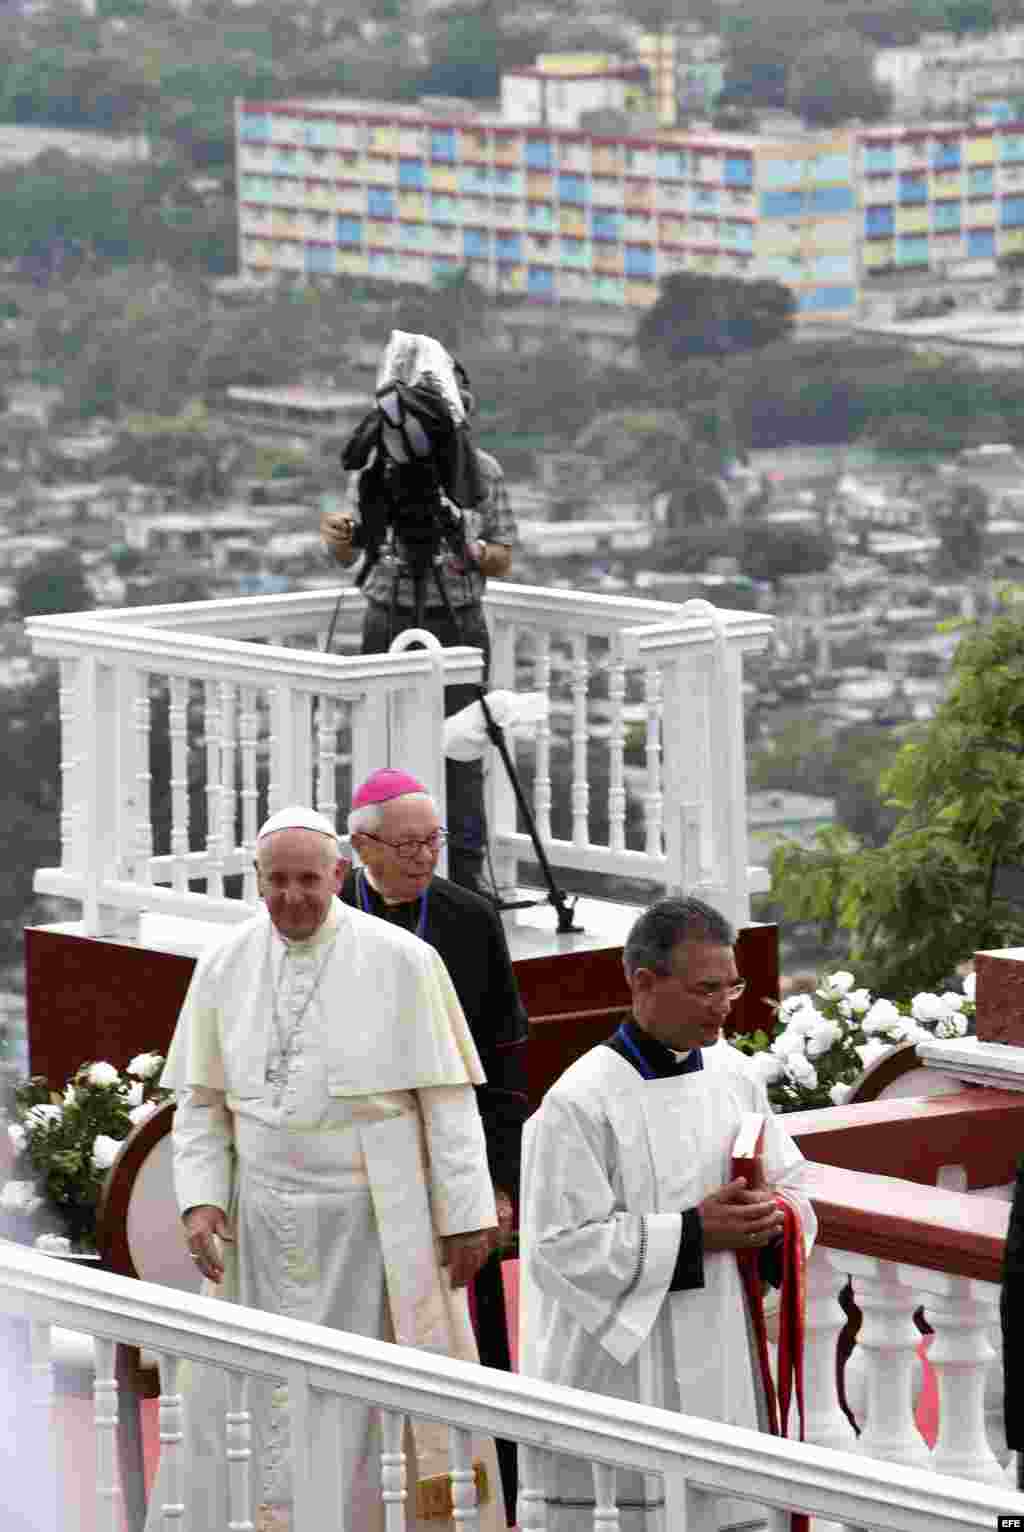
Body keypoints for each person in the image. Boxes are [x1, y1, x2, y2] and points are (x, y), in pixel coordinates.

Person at [144, 804, 500, 1532]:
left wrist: (466, 1217)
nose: (292, 897)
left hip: (373, 1227)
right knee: (253, 1394)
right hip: (262, 1226)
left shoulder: (404, 960)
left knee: (368, 1396)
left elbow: (449, 1104)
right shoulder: (224, 962)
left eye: (308, 879)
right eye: (275, 881)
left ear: (338, 874)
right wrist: (201, 1202)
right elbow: (203, 1105)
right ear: (256, 880)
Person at [518, 896, 816, 1532]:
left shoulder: (737, 1076)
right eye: (706, 988)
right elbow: (558, 1249)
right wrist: (693, 1231)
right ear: (643, 982)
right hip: (624, 1366)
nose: (724, 1004)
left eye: (731, 985)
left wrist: (772, 1218)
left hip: (723, 1346)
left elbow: (793, 1186)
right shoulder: (578, 1102)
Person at [343, 767, 529, 1517]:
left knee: (475, 1338)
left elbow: (505, 1051)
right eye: (408, 844)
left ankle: (496, 1498)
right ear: (363, 846)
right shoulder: (332, 917)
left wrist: (501, 1180)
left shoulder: (468, 918)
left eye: (433, 842)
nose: (424, 858)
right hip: (362, 1173)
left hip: (456, 1166)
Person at [321, 358, 516, 897]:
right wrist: (339, 537)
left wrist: (464, 545)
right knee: (379, 746)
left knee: (464, 749)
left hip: (456, 621)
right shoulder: (374, 470)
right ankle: (375, 875)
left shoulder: (481, 472)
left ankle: (468, 875)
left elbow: (502, 556)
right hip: (388, 614)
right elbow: (348, 553)